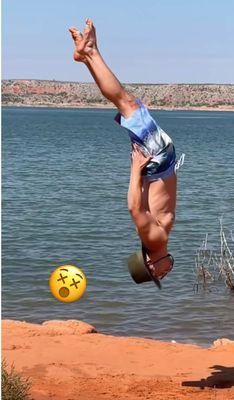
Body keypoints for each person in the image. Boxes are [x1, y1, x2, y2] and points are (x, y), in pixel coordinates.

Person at [69, 19, 183, 284]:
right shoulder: (156, 239)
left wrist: (136, 169)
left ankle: (90, 54)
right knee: (126, 103)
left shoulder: (155, 240)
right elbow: (143, 204)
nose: (166, 273)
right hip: (159, 164)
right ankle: (87, 56)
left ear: (151, 265)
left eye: (160, 275)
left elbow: (134, 208)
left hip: (157, 161)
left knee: (126, 102)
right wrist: (141, 175)